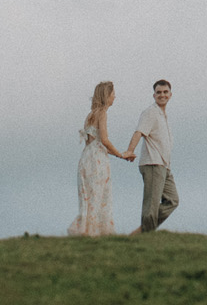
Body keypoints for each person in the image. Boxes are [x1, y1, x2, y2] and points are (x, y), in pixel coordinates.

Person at [69, 80, 136, 236]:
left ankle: (88, 231)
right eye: (113, 93)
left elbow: (97, 144)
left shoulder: (90, 115)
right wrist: (121, 154)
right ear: (107, 95)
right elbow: (104, 141)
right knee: (99, 197)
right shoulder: (102, 114)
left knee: (89, 197)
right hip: (97, 161)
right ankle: (94, 233)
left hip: (87, 158)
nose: (115, 97)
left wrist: (120, 155)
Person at [129, 78, 178, 233]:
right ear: (154, 95)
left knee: (173, 200)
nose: (162, 95)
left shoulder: (164, 115)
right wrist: (130, 150)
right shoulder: (150, 112)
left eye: (165, 92)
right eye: (158, 92)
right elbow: (139, 132)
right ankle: (146, 238)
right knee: (151, 205)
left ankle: (142, 231)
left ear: (170, 94)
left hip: (164, 165)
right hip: (152, 163)